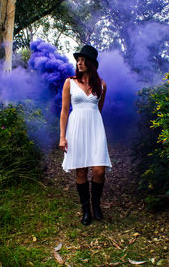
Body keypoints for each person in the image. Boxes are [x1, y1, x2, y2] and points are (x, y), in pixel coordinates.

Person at [59, 45, 112, 226]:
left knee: (99, 171)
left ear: (91, 63)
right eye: (78, 61)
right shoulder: (70, 82)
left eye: (83, 60)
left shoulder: (102, 85)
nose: (79, 63)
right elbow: (65, 111)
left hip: (96, 129)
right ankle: (86, 210)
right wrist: (62, 136)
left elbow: (98, 109)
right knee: (81, 170)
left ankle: (96, 205)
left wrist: (92, 122)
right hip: (76, 129)